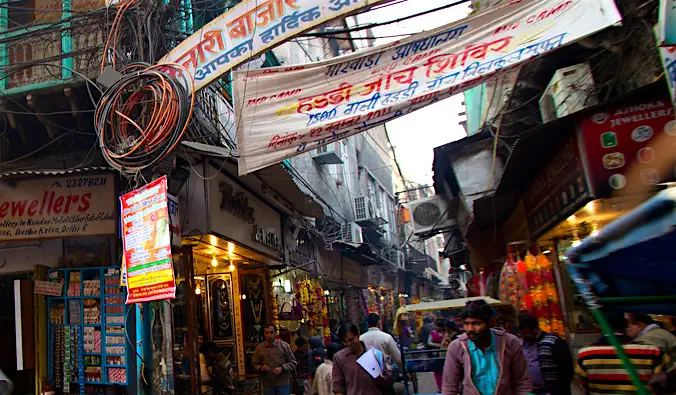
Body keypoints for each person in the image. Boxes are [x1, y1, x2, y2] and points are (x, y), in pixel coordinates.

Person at [442, 300, 531, 395]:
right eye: (466, 324)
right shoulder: (456, 347)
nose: (470, 329)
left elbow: (522, 382)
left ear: (491, 322)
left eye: (476, 323)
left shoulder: (510, 342)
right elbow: (449, 388)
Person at [576, 312, 669, 394]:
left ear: (597, 325)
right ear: (626, 324)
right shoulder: (653, 351)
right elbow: (664, 384)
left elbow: (583, 384)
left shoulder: (585, 353)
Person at [518, 313, 573, 395]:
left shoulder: (554, 342)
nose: (523, 337)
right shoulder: (520, 344)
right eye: (521, 334)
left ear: (536, 329)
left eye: (527, 334)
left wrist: (557, 390)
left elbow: (566, 371)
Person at [333, 323, 391, 395]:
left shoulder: (374, 353)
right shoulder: (339, 358)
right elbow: (338, 387)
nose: (348, 344)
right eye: (345, 342)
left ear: (358, 335)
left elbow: (387, 380)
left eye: (351, 340)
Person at [252, 325, 298, 395]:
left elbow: (293, 363)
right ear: (264, 334)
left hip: (283, 383)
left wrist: (282, 368)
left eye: (271, 332)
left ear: (275, 333)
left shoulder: (284, 346)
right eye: (266, 333)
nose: (269, 335)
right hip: (267, 384)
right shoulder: (260, 348)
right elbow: (255, 364)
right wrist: (261, 368)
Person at [427, 320, 446, 391]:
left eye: (437, 326)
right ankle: (440, 387)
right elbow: (429, 342)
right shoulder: (433, 333)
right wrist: (438, 345)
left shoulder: (446, 333)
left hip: (445, 354)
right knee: (437, 371)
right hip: (436, 354)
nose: (436, 327)